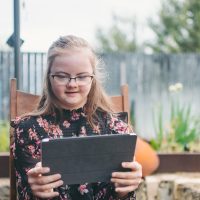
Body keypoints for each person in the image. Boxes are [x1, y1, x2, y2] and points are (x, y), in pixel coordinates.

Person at [11, 35, 142, 200]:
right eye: (62, 76)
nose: (72, 84)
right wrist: (34, 190)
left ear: (93, 79)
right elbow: (25, 191)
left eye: (82, 76)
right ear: (49, 78)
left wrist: (125, 189)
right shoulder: (28, 129)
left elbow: (122, 192)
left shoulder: (117, 129)